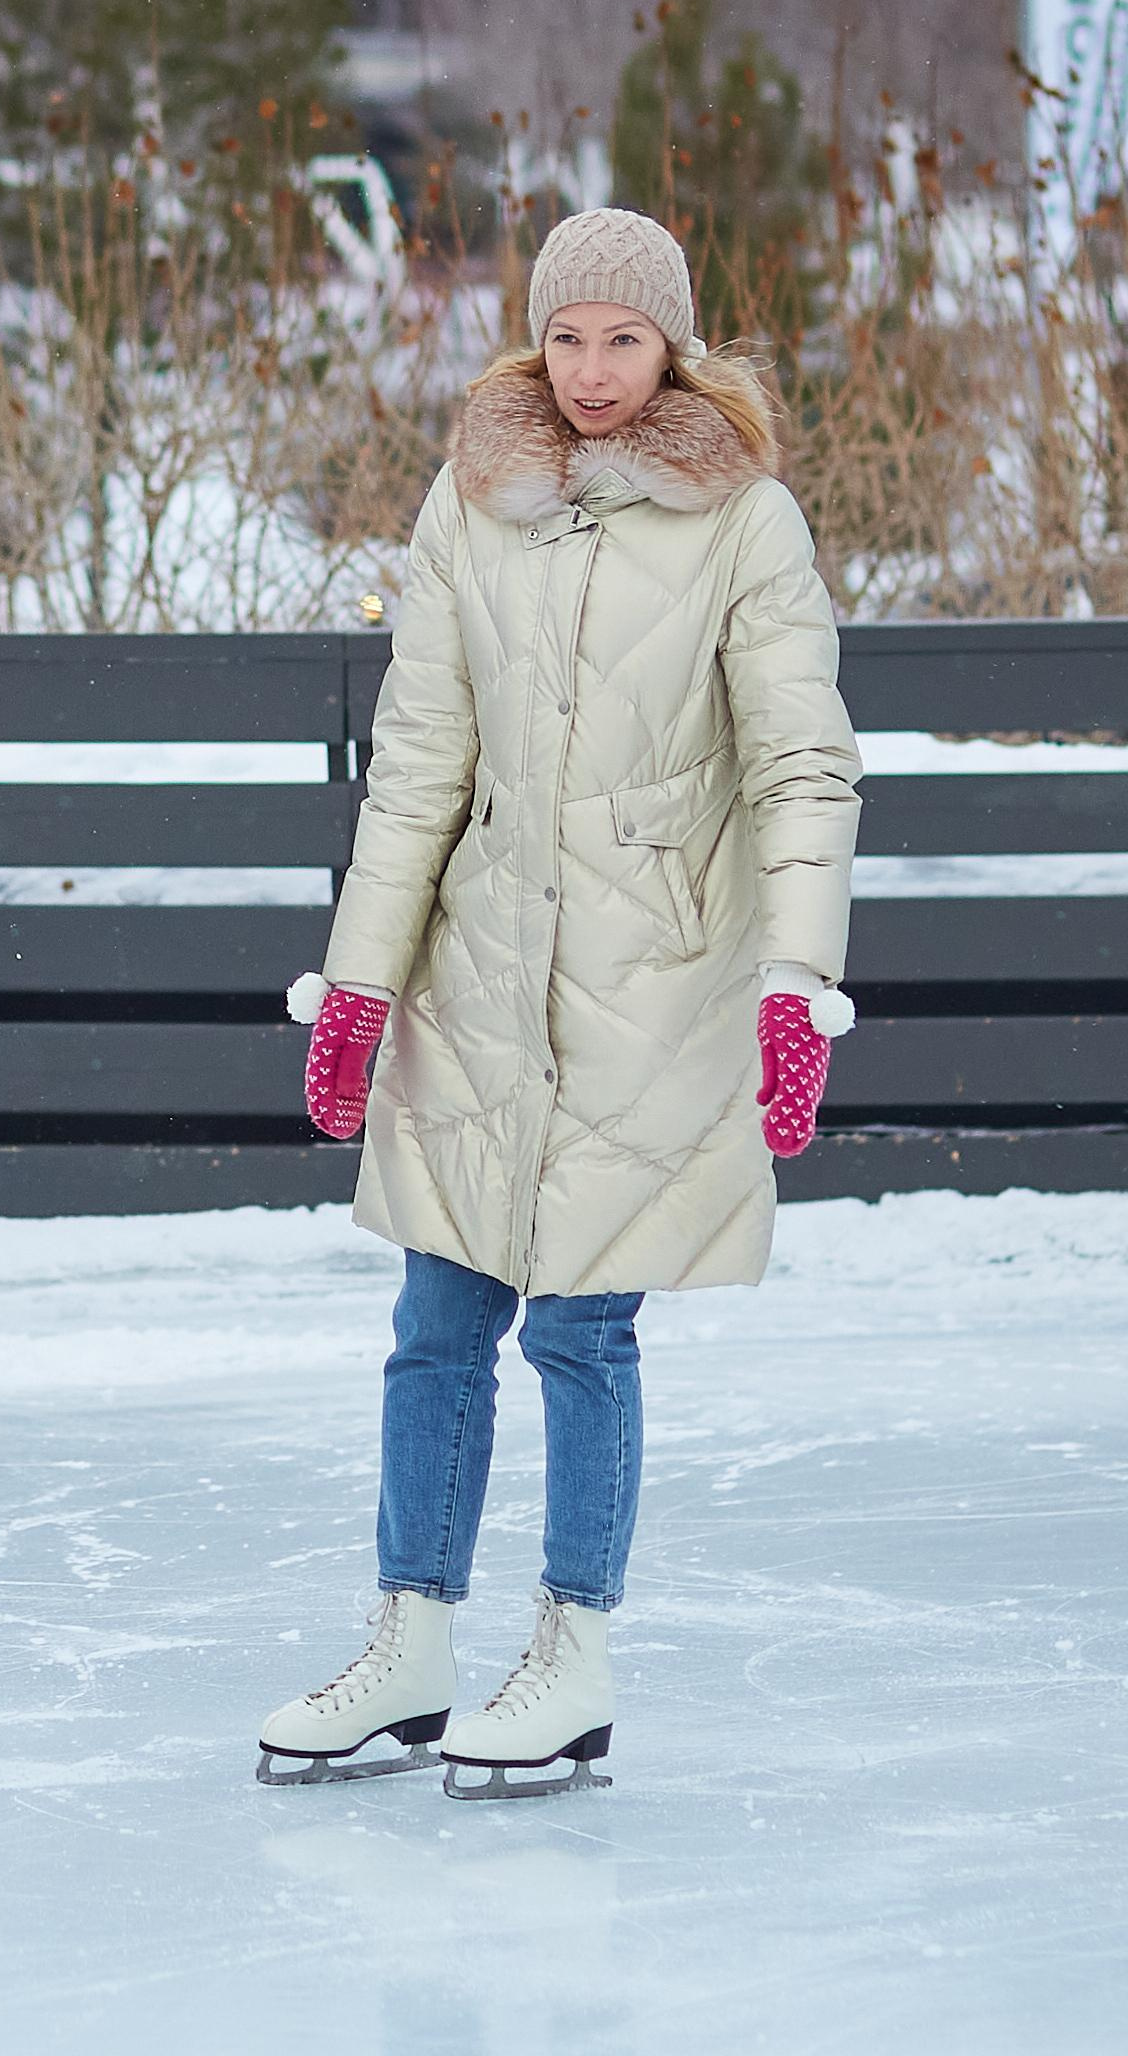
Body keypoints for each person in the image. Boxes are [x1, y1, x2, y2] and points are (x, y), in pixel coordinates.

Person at [258, 208, 860, 1799]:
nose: (595, 371)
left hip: (652, 983)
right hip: (476, 974)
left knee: (583, 1329)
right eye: (570, 337)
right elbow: (417, 771)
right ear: (538, 344)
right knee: (434, 1321)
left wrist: (794, 978)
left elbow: (800, 763)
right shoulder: (472, 503)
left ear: (674, 346)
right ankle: (408, 1644)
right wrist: (364, 982)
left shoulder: (746, 522)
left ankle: (572, 1652)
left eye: (626, 338)